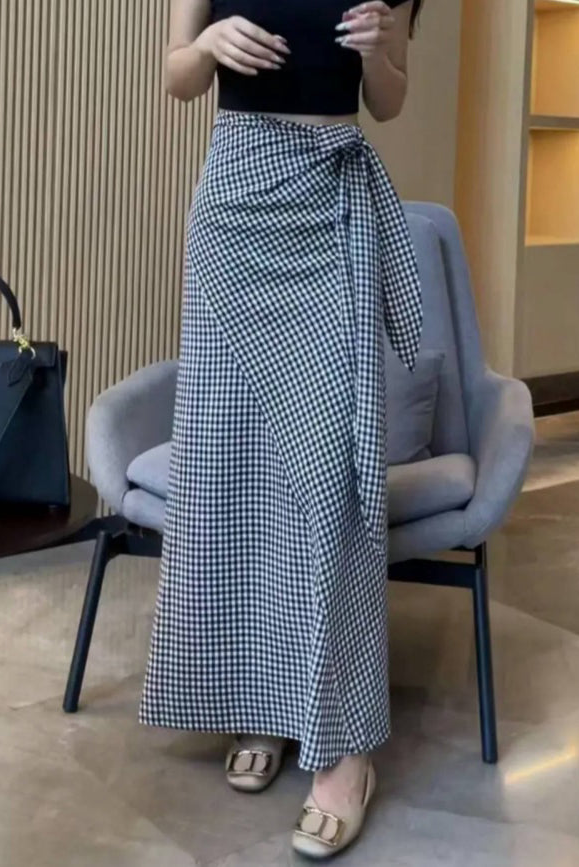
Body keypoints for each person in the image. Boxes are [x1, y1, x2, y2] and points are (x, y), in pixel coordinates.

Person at [140, 0, 425, 858]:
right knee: (233, 467)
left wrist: (378, 52)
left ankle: (343, 751)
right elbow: (175, 78)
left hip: (331, 208)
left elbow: (389, 101)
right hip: (235, 205)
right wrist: (205, 45)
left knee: (333, 480)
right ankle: (261, 700)